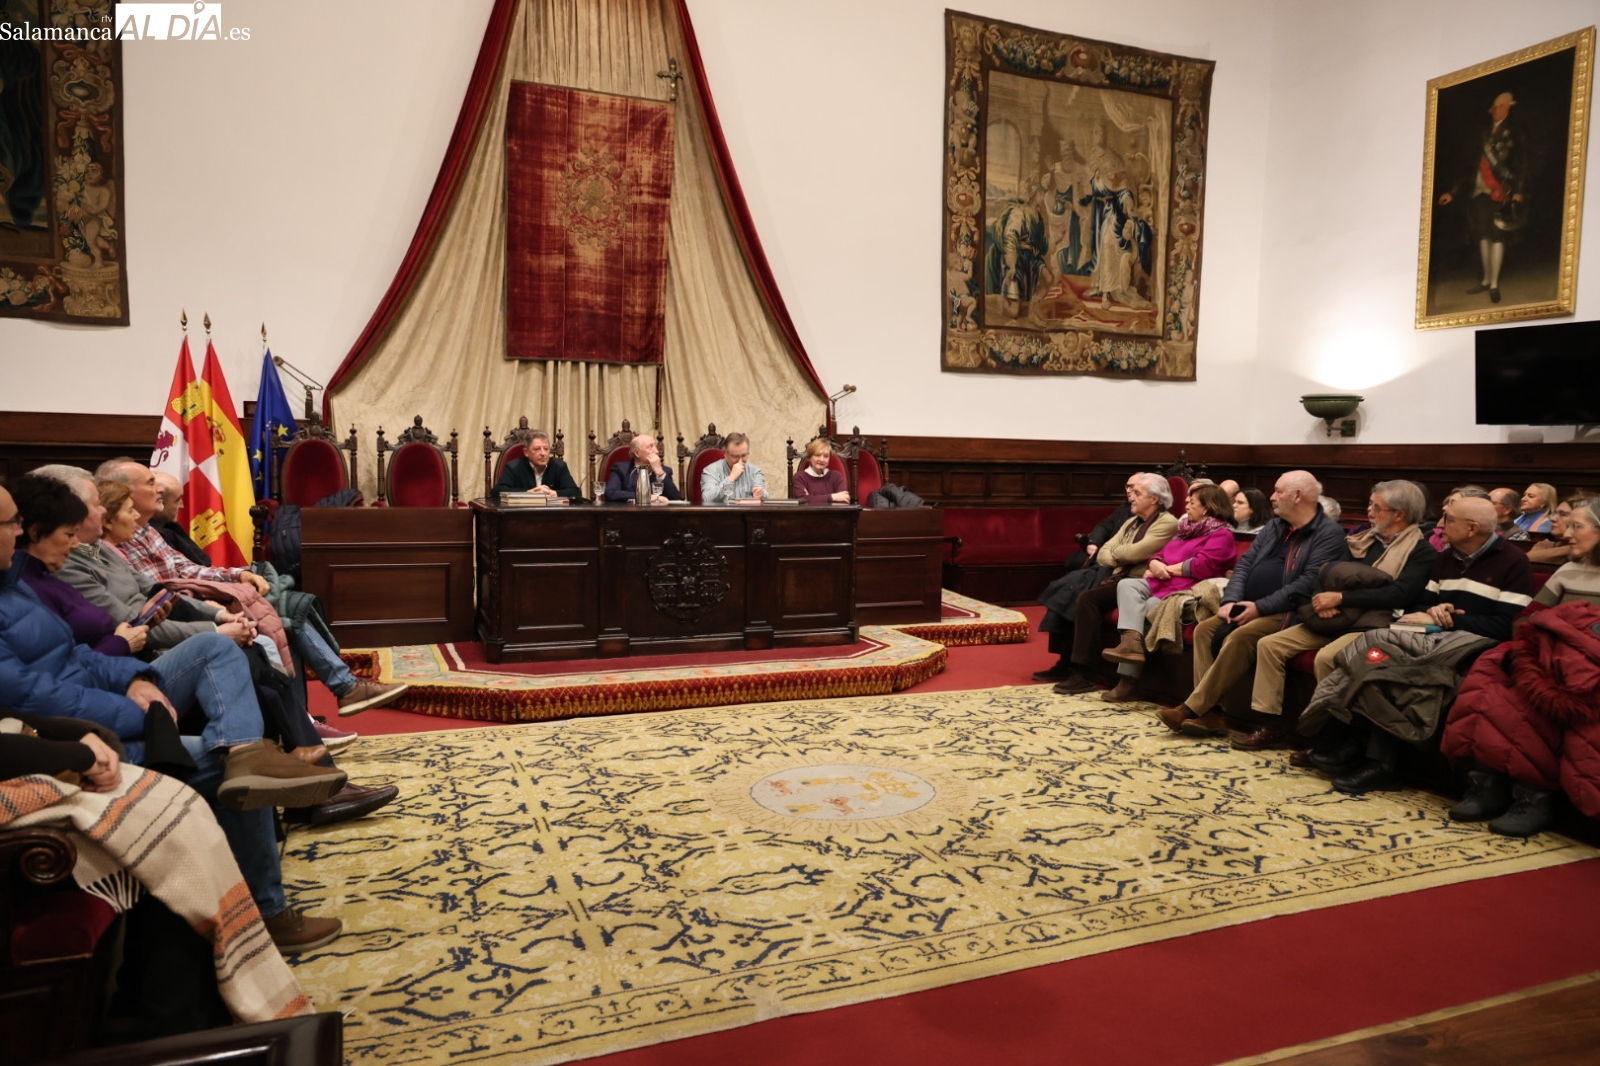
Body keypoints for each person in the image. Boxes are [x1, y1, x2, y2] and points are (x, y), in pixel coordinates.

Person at [0, 483, 346, 952]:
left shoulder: (16, 585)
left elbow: (77, 655)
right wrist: (136, 709)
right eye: (10, 524)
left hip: (102, 702)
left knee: (220, 653)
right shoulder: (28, 580)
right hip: (75, 743)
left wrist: (135, 677)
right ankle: (267, 914)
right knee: (230, 768)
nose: (18, 531)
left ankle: (245, 749)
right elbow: (32, 695)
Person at [100, 459, 407, 716]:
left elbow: (187, 570)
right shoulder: (110, 546)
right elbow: (156, 594)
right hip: (186, 616)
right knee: (288, 614)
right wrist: (211, 610)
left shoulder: (145, 531)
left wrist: (239, 575)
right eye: (151, 482)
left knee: (288, 602)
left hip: (202, 602)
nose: (159, 489)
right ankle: (320, 706)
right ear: (124, 494)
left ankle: (319, 706)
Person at [1300, 496, 1535, 795]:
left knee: (1388, 672)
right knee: (1369, 655)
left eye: (1449, 520)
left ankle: (1381, 765)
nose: (1440, 525)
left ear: (1472, 528)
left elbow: (1506, 626)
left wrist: (1450, 620)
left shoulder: (1514, 563)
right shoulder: (1446, 558)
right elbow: (1421, 605)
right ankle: (1351, 741)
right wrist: (1434, 611)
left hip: (1473, 647)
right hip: (1429, 637)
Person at [1240, 481, 1440, 750]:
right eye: (1370, 504)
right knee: (1270, 645)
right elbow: (1327, 573)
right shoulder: (1362, 540)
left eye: (1376, 507)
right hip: (1333, 615)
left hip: (1373, 624)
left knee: (1328, 657)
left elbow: (1399, 594)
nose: (1369, 511)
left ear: (1399, 514)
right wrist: (1322, 598)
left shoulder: (1421, 551)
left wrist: (1342, 598)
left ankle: (1327, 737)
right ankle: (1272, 725)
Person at [1441, 501, 1600, 836]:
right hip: (1545, 655)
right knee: (1490, 679)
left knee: (1538, 702)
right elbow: (1528, 617)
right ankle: (1486, 783)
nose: (1567, 534)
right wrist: (1532, 649)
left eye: (1577, 527)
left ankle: (1533, 798)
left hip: (1588, 664)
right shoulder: (1569, 570)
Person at [1159, 470, 1346, 737]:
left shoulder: (1328, 533)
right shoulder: (1275, 525)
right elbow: (1245, 564)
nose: (1272, 497)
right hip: (1250, 602)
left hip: (1291, 611)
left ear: (1297, 496)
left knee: (1241, 636)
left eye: (1278, 491)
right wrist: (1232, 599)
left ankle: (1193, 708)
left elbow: (1306, 584)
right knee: (1205, 629)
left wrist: (1259, 608)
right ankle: (1213, 714)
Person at [1036, 473, 1178, 690]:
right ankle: (1066, 662)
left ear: (1155, 498)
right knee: (1066, 590)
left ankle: (1083, 672)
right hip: (1117, 575)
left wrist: (1118, 552)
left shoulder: (1167, 522)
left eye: (1137, 493)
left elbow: (1135, 553)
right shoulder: (1131, 521)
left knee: (1087, 599)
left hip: (1138, 582)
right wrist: (1121, 553)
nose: (1131, 497)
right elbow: (1104, 553)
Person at [1097, 483, 1236, 702]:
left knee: (1148, 608)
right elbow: (1159, 554)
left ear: (1207, 507)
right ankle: (1130, 644)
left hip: (1186, 590)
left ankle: (1127, 681)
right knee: (1127, 585)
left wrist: (1165, 569)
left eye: (1192, 501)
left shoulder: (1222, 534)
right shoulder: (1186, 529)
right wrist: (1154, 564)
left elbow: (1201, 566)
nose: (1186, 504)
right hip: (1161, 582)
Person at [1437, 91, 1524, 305]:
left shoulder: (1514, 133)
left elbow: (1521, 164)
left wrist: (1518, 190)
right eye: (1494, 107)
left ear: (1508, 107)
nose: (1496, 110)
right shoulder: (1482, 134)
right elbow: (1469, 168)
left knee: (1497, 237)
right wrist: (1453, 192)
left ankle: (1494, 284)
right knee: (1482, 236)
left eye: (1500, 106)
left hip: (1499, 192)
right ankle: (1486, 280)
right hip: (1478, 192)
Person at [489, 430, 581, 500]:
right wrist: (527, 493)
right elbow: (497, 491)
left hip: (552, 515)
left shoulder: (559, 466)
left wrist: (555, 493)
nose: (543, 453)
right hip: (522, 515)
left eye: (546, 449)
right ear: (526, 452)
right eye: (537, 449)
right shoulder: (514, 467)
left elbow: (575, 492)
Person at [602, 433, 682, 504]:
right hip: (628, 514)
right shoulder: (621, 469)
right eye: (650, 447)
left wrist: (659, 472)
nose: (657, 451)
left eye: (655, 446)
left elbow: (677, 499)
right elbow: (611, 493)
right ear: (637, 453)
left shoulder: (665, 471)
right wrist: (645, 497)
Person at [699, 432, 767, 505]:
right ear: (725, 454)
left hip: (748, 512)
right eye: (735, 456)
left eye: (744, 455)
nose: (740, 461)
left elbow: (765, 496)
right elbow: (707, 499)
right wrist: (731, 478)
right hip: (721, 512)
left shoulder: (755, 471)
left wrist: (761, 494)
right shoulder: (711, 471)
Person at [1527, 495, 1587, 564]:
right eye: (1555, 513)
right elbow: (1528, 558)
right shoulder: (1548, 543)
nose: (1552, 518)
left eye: (1563, 514)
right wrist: (1572, 548)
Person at [1430, 486, 1492, 551]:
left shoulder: (1495, 551)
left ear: (1472, 528)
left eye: (1452, 503)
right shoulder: (1447, 551)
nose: (1440, 525)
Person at [791, 438, 849, 504]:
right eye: (817, 455)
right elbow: (802, 501)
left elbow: (844, 500)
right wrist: (832, 497)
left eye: (826, 456)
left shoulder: (836, 476)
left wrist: (810, 498)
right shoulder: (799, 477)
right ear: (809, 457)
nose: (822, 459)